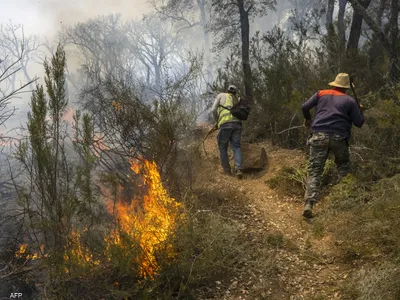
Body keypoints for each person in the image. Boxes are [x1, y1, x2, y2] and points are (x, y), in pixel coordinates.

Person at [301, 73, 365, 218]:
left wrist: (308, 119)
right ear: (347, 88)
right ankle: (344, 202)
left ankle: (309, 204)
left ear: (334, 84)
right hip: (339, 137)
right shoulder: (350, 100)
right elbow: (359, 123)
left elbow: (304, 107)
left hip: (318, 136)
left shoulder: (321, 93)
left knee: (314, 171)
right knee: (343, 168)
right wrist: (360, 111)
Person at [212, 85, 244, 179]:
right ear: (235, 92)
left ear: (227, 90)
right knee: (236, 147)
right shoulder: (237, 99)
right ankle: (238, 169)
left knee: (222, 147)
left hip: (225, 124)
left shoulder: (221, 95)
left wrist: (217, 122)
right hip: (237, 125)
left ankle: (227, 171)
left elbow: (213, 109)